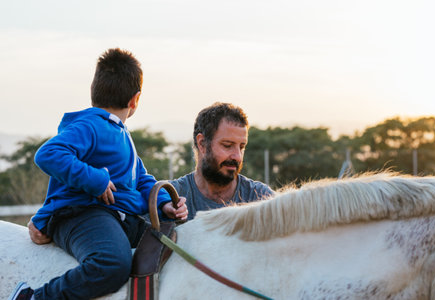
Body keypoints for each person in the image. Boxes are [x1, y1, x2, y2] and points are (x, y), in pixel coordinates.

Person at [8, 48, 188, 300]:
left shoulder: (121, 134)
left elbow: (141, 179)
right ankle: (33, 298)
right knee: (112, 264)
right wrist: (95, 179)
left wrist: (164, 204)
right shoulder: (90, 125)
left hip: (117, 217)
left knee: (176, 240)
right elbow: (48, 153)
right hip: (81, 213)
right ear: (135, 100)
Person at [169, 102, 274, 221]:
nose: (238, 157)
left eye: (241, 147)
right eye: (227, 145)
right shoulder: (170, 198)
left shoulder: (261, 198)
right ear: (202, 144)